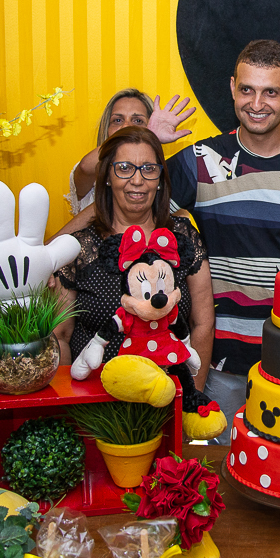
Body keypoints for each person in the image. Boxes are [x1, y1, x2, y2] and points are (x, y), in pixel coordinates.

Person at [166, 39, 280, 436]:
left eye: (270, 92)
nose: (256, 103)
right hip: (220, 362)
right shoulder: (201, 161)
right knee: (216, 465)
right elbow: (128, 204)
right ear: (232, 87)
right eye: (247, 89)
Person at [52, 126, 215, 399]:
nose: (137, 180)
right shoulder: (80, 248)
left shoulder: (183, 239)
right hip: (93, 405)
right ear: (107, 177)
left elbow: (203, 324)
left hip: (167, 400)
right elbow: (61, 335)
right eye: (124, 168)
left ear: (160, 179)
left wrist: (190, 399)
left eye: (149, 169)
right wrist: (68, 403)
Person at [64, 89, 196, 216]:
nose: (126, 126)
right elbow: (84, 167)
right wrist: (138, 136)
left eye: (138, 121)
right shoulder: (92, 171)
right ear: (107, 128)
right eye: (118, 120)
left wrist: (148, 137)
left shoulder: (161, 176)